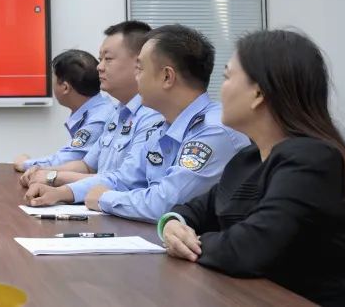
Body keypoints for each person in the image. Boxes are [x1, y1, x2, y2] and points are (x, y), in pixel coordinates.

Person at [159, 30, 345, 306]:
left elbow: (247, 250)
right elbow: (195, 209)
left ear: (258, 93)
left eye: (227, 77)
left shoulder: (312, 160)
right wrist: (173, 224)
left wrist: (193, 242)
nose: (220, 91)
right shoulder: (247, 159)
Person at [27, 24, 250, 222]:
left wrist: (104, 198)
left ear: (167, 77)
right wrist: (63, 193)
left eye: (140, 69)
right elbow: (124, 178)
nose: (136, 77)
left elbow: (165, 202)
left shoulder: (213, 130)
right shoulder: (163, 125)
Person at [20, 21, 162, 190]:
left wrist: (53, 177)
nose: (99, 67)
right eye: (100, 59)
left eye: (108, 59)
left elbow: (125, 181)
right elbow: (87, 166)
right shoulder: (118, 113)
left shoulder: (153, 115)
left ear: (139, 62)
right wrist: (44, 171)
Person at [12, 50, 114, 181]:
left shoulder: (98, 119)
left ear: (65, 87)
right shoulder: (98, 109)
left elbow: (69, 159)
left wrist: (26, 164)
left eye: (53, 79)